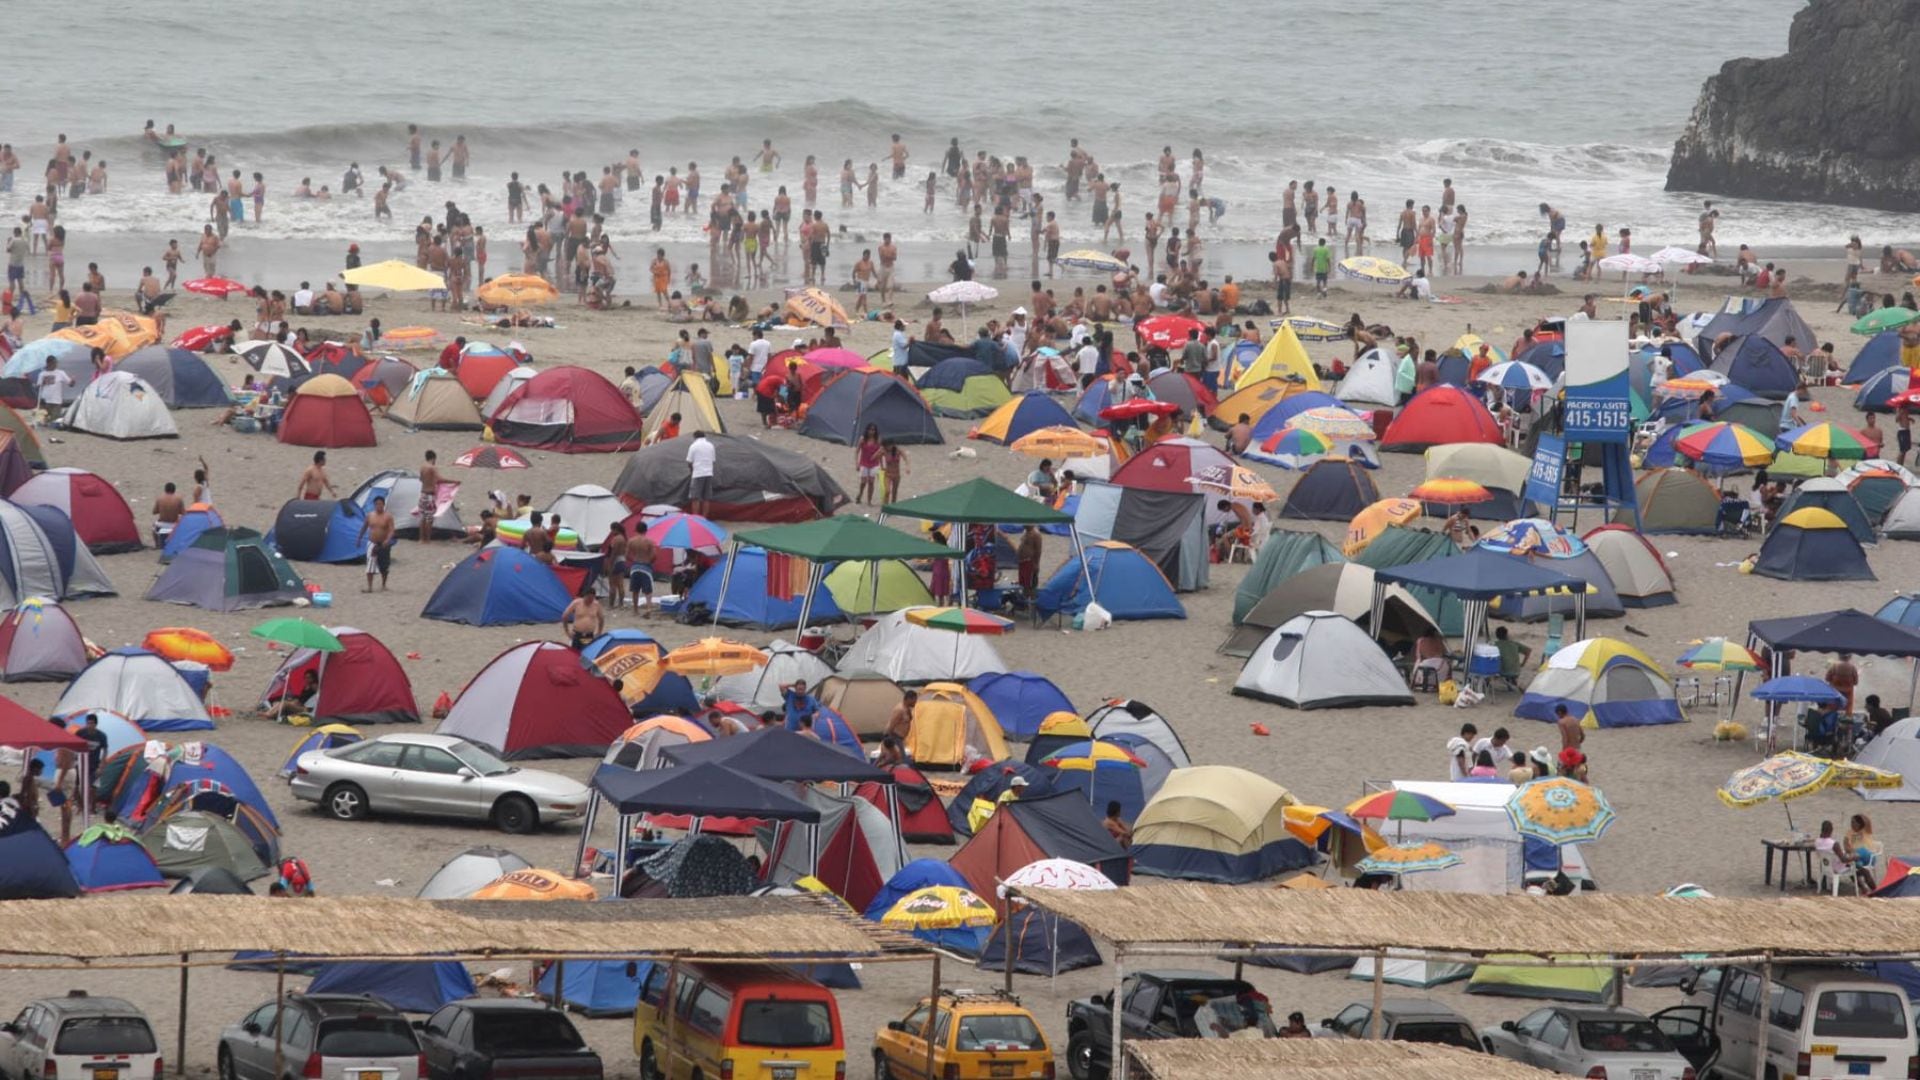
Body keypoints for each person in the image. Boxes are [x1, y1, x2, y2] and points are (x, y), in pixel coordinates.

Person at [357, 495, 395, 592]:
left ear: (383, 505)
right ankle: (370, 587)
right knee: (370, 564)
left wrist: (387, 540)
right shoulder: (370, 515)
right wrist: (359, 538)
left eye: (380, 504)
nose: (379, 506)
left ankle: (383, 584)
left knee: (384, 565)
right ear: (374, 505)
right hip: (372, 543)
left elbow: (391, 530)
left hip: (383, 544)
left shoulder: (388, 516)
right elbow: (364, 527)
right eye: (377, 504)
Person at [560, 582, 604, 651]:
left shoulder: (596, 605)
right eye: (588, 598)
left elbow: (601, 619)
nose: (590, 600)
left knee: (587, 653)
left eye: (592, 598)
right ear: (584, 596)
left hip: (589, 635)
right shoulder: (576, 603)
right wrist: (567, 631)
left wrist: (599, 632)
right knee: (575, 654)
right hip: (577, 634)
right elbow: (564, 616)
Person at [686, 430, 716, 518]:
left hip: (698, 473)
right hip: (709, 473)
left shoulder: (693, 446)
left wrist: (692, 470)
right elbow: (713, 461)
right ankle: (704, 518)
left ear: (695, 437)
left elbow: (689, 462)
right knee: (706, 498)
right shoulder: (711, 445)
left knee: (695, 498)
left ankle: (696, 518)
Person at [35, 355, 72, 422]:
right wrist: (43, 382)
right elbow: (38, 387)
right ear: (48, 363)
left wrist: (72, 381)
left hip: (56, 401)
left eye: (56, 363)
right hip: (45, 401)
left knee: (54, 420)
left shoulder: (61, 373)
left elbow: (70, 384)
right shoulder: (42, 374)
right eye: (54, 363)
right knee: (42, 420)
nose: (55, 365)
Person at [854, 423, 882, 504]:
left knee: (871, 482)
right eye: (870, 429)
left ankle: (869, 500)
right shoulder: (862, 439)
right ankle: (860, 494)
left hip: (874, 463)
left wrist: (881, 464)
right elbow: (857, 451)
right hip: (864, 462)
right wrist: (857, 463)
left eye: (873, 430)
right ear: (867, 430)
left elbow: (881, 451)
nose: (871, 432)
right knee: (863, 482)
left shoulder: (878, 439)